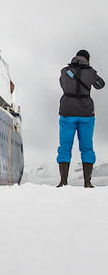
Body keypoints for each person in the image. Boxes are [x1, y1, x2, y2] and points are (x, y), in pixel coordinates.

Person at [57, 49, 105, 188]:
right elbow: (100, 85)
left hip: (67, 111)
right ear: (87, 59)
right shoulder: (90, 72)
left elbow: (63, 84)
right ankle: (88, 182)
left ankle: (63, 181)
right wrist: (90, 75)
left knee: (65, 146)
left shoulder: (64, 71)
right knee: (87, 147)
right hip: (86, 113)